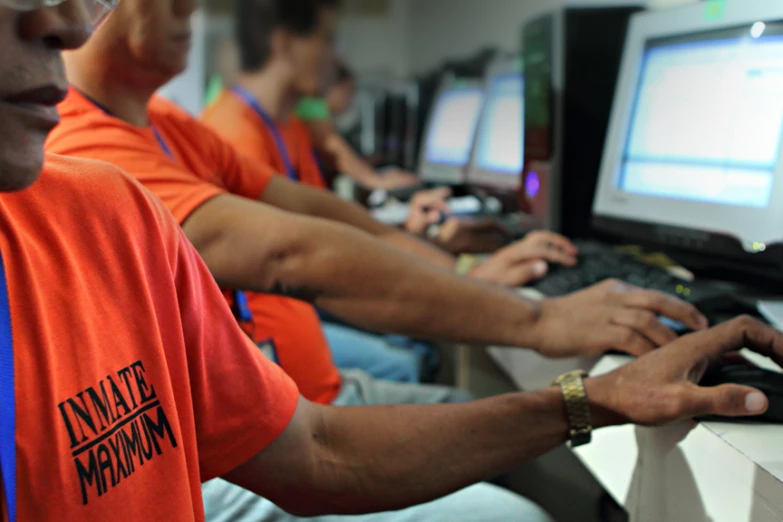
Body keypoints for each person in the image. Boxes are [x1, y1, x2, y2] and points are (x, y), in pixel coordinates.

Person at [2, 6, 780, 522]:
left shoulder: (110, 210)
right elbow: (288, 249)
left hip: (286, 396)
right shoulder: (123, 146)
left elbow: (314, 450)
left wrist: (593, 394)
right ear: (287, 41)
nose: (66, 21)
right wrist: (533, 317)